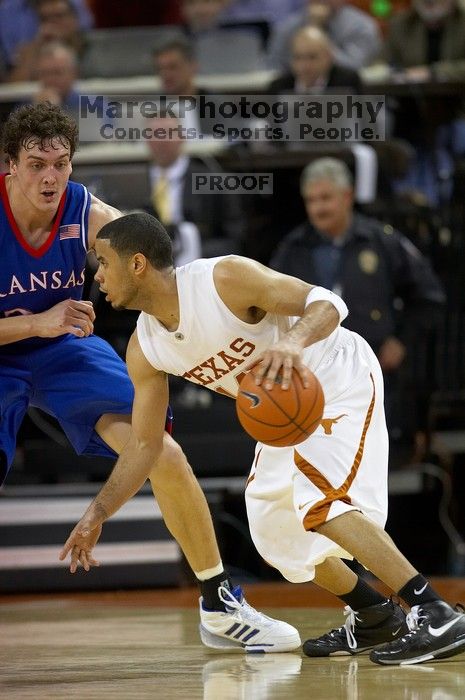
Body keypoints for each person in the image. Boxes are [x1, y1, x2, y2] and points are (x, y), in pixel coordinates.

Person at [60, 210, 465, 665]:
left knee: (321, 502)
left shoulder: (223, 279)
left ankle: (433, 611)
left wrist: (291, 344)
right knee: (275, 534)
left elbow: (327, 303)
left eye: (103, 262)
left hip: (332, 374)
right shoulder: (145, 349)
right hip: (284, 412)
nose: (96, 275)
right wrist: (98, 513)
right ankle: (375, 615)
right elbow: (144, 445)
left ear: (137, 264)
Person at [0, 102, 299, 654]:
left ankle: (217, 600)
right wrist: (37, 321)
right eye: (37, 163)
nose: (51, 177)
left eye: (61, 163)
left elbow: (152, 261)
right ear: (10, 165)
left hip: (65, 350)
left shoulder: (85, 211)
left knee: (159, 448)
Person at [269, 157, 445, 439]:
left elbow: (428, 297)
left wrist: (401, 341)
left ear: (348, 196)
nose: (318, 208)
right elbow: (269, 305)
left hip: (374, 372)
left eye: (326, 198)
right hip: (313, 377)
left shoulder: (381, 241)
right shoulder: (293, 248)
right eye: (311, 200)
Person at [267, 0, 382, 72]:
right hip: (296, 97)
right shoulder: (288, 27)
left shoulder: (361, 26)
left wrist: (316, 30)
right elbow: (272, 65)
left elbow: (354, 68)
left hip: (348, 96)